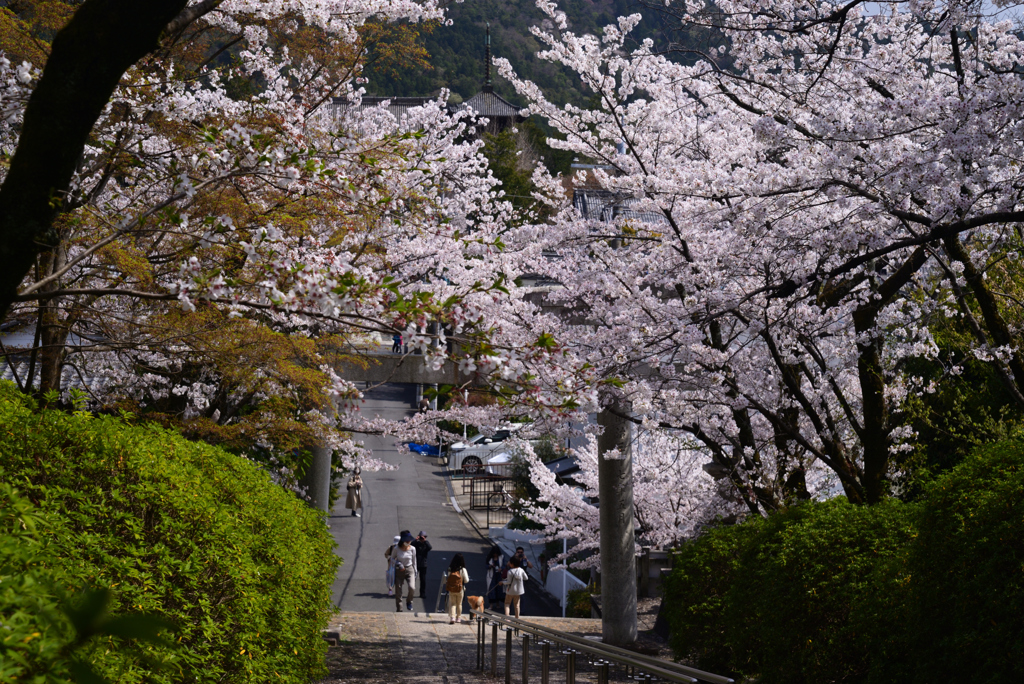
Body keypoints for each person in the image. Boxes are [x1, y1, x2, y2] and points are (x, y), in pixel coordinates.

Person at [393, 532, 418, 612]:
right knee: (398, 591)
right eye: (407, 541)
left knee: (412, 587)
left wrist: (415, 571)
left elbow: (414, 561)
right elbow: (392, 559)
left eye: (409, 541)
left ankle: (409, 601)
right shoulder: (396, 548)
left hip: (409, 569)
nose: (408, 542)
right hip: (399, 570)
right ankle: (399, 608)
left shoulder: (413, 548)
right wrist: (399, 563)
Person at [445, 553, 470, 624]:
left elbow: (449, 578)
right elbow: (466, 580)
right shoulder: (462, 570)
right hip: (460, 589)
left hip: (452, 589)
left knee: (452, 603)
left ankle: (452, 617)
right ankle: (458, 618)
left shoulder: (450, 569)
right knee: (459, 604)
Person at [412, 531, 432, 598]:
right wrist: (415, 539)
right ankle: (411, 592)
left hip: (423, 564)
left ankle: (422, 593)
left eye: (424, 537)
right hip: (416, 563)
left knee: (423, 580)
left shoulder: (426, 544)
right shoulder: (416, 544)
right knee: (413, 578)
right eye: (421, 537)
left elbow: (430, 547)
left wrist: (425, 541)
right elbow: (410, 545)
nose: (422, 538)